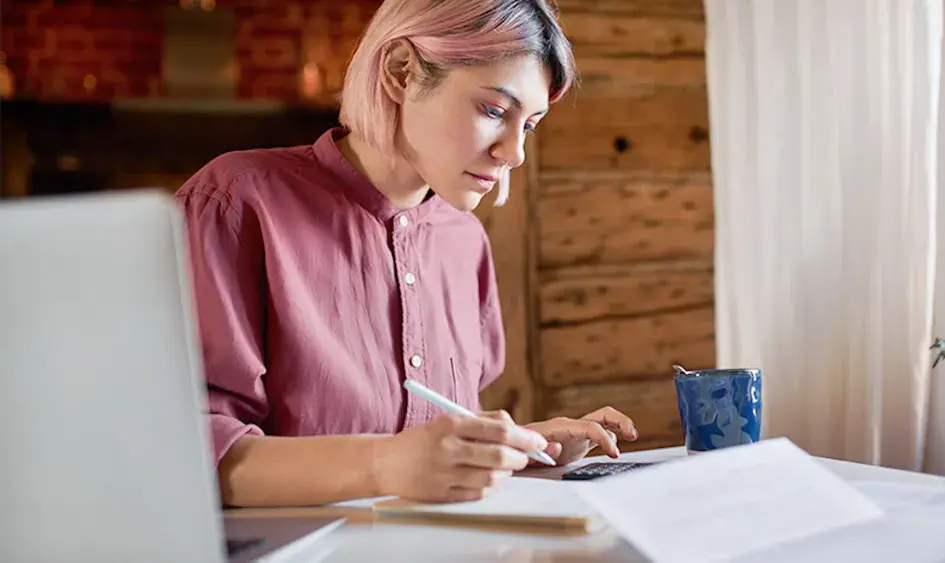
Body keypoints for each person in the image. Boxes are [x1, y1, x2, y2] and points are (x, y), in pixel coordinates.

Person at [173, 0, 638, 509]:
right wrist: (384, 464)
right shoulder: (235, 202)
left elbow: (419, 454)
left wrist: (521, 448)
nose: (515, 153)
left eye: (528, 125)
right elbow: (181, 452)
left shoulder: (464, 241)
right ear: (401, 72)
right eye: (493, 110)